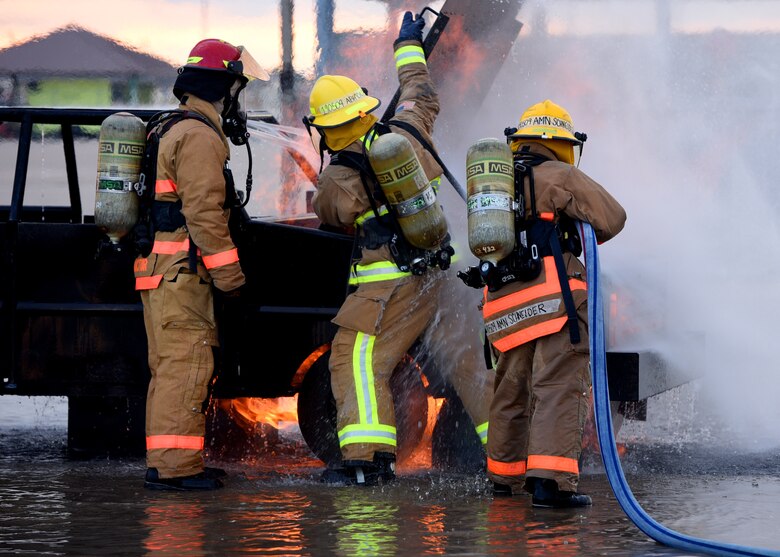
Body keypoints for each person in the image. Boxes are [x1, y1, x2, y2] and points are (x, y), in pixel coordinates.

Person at [304, 11, 491, 485]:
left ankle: (367, 461)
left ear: (328, 129)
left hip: (390, 282)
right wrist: (408, 46)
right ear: (364, 110)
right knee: (470, 363)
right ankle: (510, 454)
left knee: (357, 358)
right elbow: (421, 95)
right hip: (442, 272)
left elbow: (331, 214)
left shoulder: (339, 178)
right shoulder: (408, 132)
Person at [461, 100, 626, 507]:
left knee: (510, 390)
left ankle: (504, 481)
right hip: (554, 303)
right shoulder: (560, 174)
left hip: (503, 308)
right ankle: (551, 484)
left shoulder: (497, 186)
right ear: (561, 144)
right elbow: (613, 218)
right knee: (556, 387)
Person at [133, 38, 268, 491]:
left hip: (166, 273)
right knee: (185, 368)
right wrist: (234, 283)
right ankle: (174, 471)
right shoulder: (197, 137)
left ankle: (170, 463)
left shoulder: (173, 126)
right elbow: (205, 216)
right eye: (235, 87)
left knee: (172, 368)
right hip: (182, 276)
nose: (237, 99)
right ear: (220, 86)